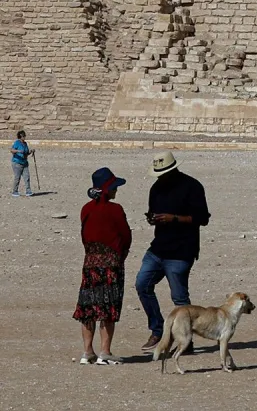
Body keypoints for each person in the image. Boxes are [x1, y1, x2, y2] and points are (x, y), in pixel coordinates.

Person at [135, 151, 210, 354]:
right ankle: (158, 330)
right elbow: (154, 211)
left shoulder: (192, 186)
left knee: (179, 298)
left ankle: (186, 341)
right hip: (158, 248)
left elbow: (203, 218)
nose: (161, 177)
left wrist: (174, 218)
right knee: (142, 285)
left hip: (181, 251)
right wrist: (153, 218)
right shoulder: (156, 188)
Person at [74, 167, 131, 364]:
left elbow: (84, 235)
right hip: (111, 264)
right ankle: (105, 351)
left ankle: (87, 351)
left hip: (90, 262)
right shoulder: (116, 210)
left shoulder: (86, 209)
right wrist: (120, 256)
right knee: (108, 309)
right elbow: (125, 236)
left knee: (88, 308)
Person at [11, 129, 34, 197]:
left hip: (24, 163)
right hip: (17, 163)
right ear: (20, 137)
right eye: (23, 136)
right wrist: (18, 151)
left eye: (24, 136)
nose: (24, 137)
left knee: (27, 177)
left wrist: (31, 151)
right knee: (17, 177)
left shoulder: (25, 143)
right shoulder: (17, 143)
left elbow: (26, 153)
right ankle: (15, 191)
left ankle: (28, 191)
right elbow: (12, 150)